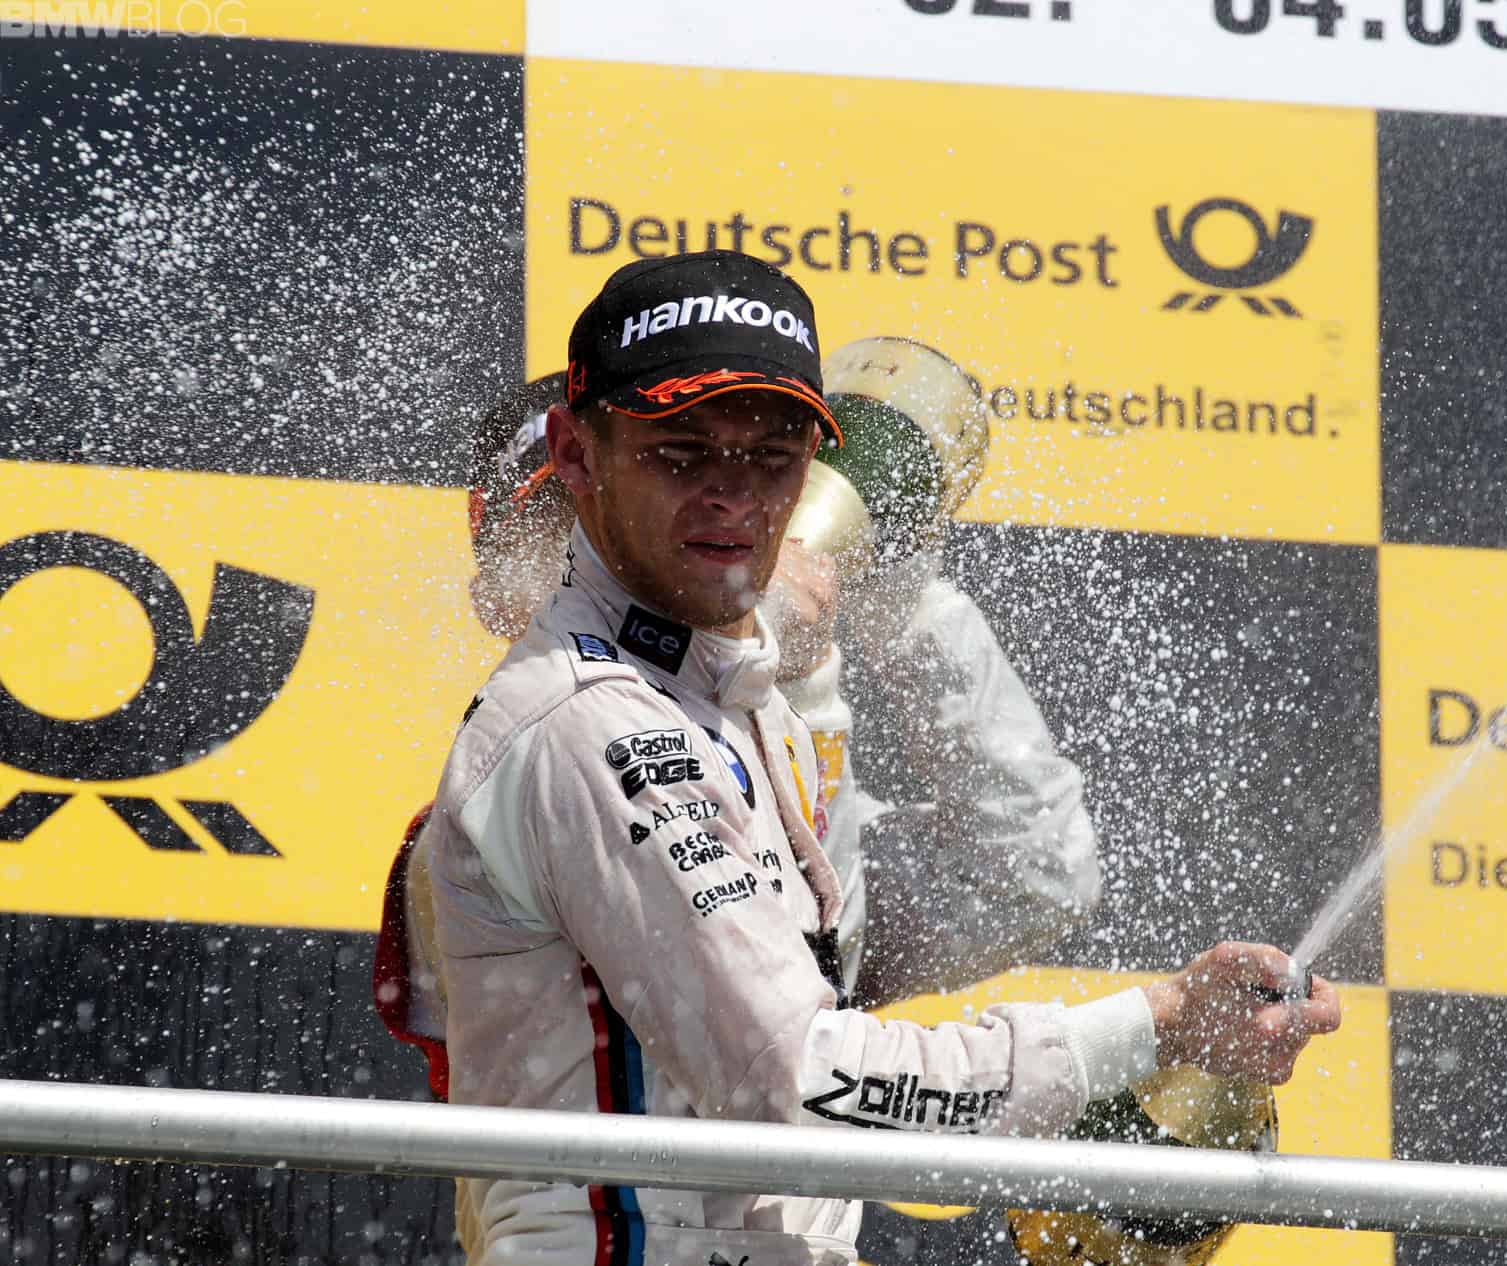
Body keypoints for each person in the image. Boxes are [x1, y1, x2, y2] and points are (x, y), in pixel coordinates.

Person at [408, 249, 1340, 1266]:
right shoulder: (582, 726)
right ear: (582, 465)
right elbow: (801, 1081)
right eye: (677, 455)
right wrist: (1153, 1023)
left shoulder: (741, 718)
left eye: (774, 460)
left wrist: (894, 607)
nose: (731, 497)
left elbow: (1029, 875)